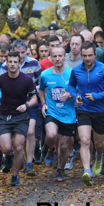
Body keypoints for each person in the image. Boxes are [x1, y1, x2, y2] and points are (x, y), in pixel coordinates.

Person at [68, 42, 104, 186]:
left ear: (95, 55)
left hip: (99, 111)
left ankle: (98, 157)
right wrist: (75, 95)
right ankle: (86, 170)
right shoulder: (76, 70)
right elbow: (71, 85)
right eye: (84, 56)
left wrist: (97, 96)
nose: (87, 58)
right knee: (84, 140)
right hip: (83, 109)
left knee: (99, 143)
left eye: (90, 55)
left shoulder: (103, 69)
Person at [0, 51, 37, 187]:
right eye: (10, 62)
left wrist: (26, 105)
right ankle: (10, 156)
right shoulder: (1, 79)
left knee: (18, 147)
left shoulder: (26, 80)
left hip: (21, 116)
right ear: (6, 63)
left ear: (19, 63)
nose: (12, 64)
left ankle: (15, 175)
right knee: (6, 148)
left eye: (15, 62)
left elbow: (34, 98)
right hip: (4, 116)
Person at [1, 39, 42, 175]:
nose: (21, 55)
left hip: (30, 103)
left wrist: (31, 88)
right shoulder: (5, 66)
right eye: (17, 52)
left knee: (30, 132)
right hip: (11, 105)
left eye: (23, 52)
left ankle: (29, 163)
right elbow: (1, 85)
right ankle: (16, 156)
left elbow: (41, 83)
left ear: (27, 51)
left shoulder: (34, 63)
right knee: (16, 136)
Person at [38, 46, 77, 182]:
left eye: (60, 56)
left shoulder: (72, 73)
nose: (58, 58)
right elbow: (41, 90)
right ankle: (50, 148)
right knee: (51, 135)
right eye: (55, 56)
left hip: (68, 114)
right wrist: (43, 104)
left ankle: (60, 169)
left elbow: (78, 94)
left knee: (64, 146)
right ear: (51, 58)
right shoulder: (45, 74)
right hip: (52, 112)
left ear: (65, 57)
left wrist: (69, 95)